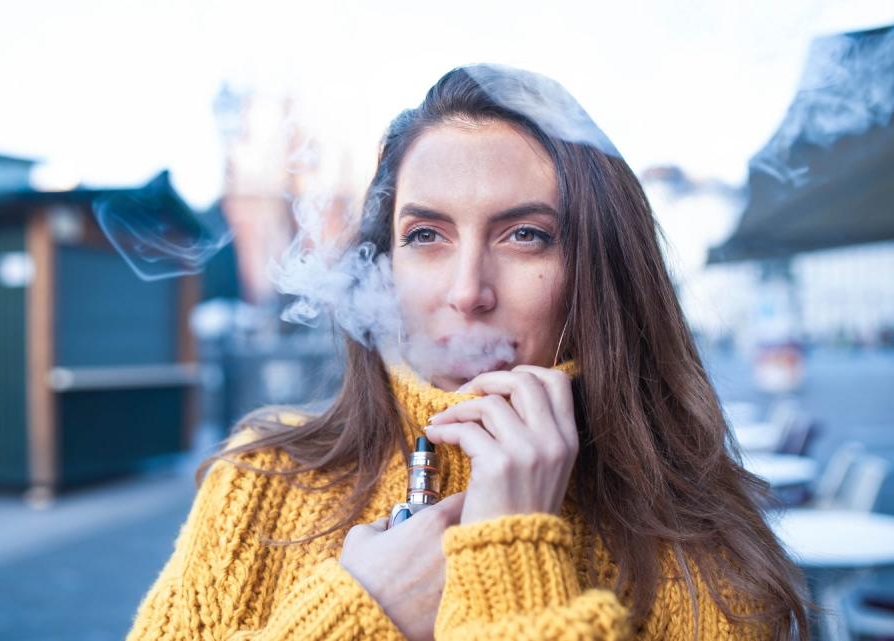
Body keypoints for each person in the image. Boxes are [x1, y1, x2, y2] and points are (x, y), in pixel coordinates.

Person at [125, 64, 812, 641]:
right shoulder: (264, 478)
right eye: (426, 235)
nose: (467, 291)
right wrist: (363, 611)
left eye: (526, 236)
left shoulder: (704, 559)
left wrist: (514, 554)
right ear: (384, 260)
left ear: (599, 272)